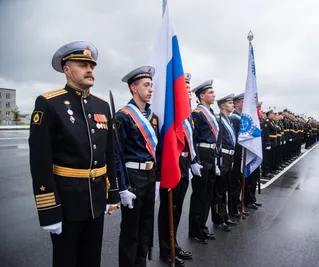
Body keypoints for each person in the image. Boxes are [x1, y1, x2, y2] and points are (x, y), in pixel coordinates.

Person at [28, 41, 120, 267]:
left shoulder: (101, 106)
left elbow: (109, 152)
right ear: (67, 70)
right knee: (67, 261)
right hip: (67, 202)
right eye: (82, 64)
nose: (90, 70)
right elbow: (40, 160)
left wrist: (113, 193)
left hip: (96, 199)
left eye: (92, 66)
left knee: (91, 260)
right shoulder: (49, 103)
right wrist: (48, 209)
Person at [115, 66, 161, 267]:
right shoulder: (123, 116)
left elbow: (156, 151)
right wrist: (122, 188)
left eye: (151, 85)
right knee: (131, 229)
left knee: (146, 225)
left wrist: (157, 178)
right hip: (133, 175)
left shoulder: (153, 116)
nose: (151, 89)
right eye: (146, 85)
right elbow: (116, 154)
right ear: (133, 88)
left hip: (150, 175)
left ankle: (140, 263)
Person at [158, 73, 194, 266]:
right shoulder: (170, 114)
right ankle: (166, 248)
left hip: (185, 164)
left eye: (189, 88)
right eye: (185, 88)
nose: (188, 91)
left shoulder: (187, 115)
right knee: (168, 209)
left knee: (178, 208)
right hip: (173, 165)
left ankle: (174, 243)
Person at [188, 80, 220, 244]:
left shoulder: (212, 113)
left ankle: (203, 227)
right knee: (199, 195)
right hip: (202, 154)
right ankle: (194, 230)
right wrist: (194, 160)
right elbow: (193, 139)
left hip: (212, 154)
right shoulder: (197, 114)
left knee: (208, 195)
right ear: (202, 96)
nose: (214, 95)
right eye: (210, 93)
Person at [212, 94, 238, 232]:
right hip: (222, 157)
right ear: (222, 106)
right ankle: (218, 219)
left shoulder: (229, 120)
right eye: (229, 103)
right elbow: (217, 141)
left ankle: (225, 215)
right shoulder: (219, 120)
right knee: (219, 190)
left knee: (226, 187)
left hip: (230, 157)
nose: (232, 105)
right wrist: (216, 161)